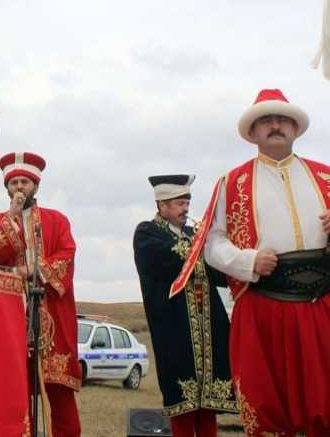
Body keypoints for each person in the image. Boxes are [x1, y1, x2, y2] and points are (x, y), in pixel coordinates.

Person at [171, 89, 330, 436]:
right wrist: (248, 261)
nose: (276, 126)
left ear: (295, 127)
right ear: (253, 132)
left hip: (321, 306)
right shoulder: (233, 182)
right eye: (266, 121)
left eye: (283, 119)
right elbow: (212, 243)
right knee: (268, 408)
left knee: (325, 405)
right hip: (264, 305)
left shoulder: (326, 176)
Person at [0, 152, 80, 437]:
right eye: (14, 183)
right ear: (7, 188)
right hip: (11, 314)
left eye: (25, 182)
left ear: (36, 186)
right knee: (14, 394)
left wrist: (31, 271)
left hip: (51, 315)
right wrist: (12, 216)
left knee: (60, 398)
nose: (20, 188)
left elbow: (66, 254)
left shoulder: (56, 220)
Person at [134, 175, 237, 436]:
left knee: (208, 404)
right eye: (179, 203)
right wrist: (203, 243)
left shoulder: (195, 235)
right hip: (174, 330)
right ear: (162, 204)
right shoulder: (147, 233)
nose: (186, 209)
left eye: (187, 203)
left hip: (209, 329)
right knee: (183, 403)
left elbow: (217, 271)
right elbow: (172, 258)